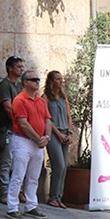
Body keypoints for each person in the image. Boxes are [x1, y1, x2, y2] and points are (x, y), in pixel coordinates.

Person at [5, 70, 52, 219]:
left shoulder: (41, 101)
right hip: (22, 141)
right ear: (25, 82)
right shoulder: (19, 100)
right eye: (33, 80)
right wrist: (40, 138)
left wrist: (47, 137)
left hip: (37, 143)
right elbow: (23, 124)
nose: (37, 82)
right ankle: (12, 208)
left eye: (38, 79)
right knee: (18, 175)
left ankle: (31, 206)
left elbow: (47, 120)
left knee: (33, 176)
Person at [0, 56, 24, 204]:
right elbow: (8, 107)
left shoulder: (20, 85)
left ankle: (18, 190)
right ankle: (4, 192)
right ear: (10, 68)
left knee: (19, 161)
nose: (21, 69)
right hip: (7, 129)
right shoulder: (5, 85)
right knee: (7, 161)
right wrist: (20, 123)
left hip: (19, 130)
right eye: (18, 67)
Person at [44, 70, 73, 209]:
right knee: (59, 165)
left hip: (65, 132)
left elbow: (69, 116)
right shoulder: (45, 98)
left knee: (64, 167)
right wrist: (59, 134)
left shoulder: (63, 97)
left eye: (61, 79)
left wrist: (70, 133)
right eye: (58, 79)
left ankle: (59, 197)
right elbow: (47, 119)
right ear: (51, 81)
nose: (61, 81)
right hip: (53, 134)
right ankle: (53, 197)